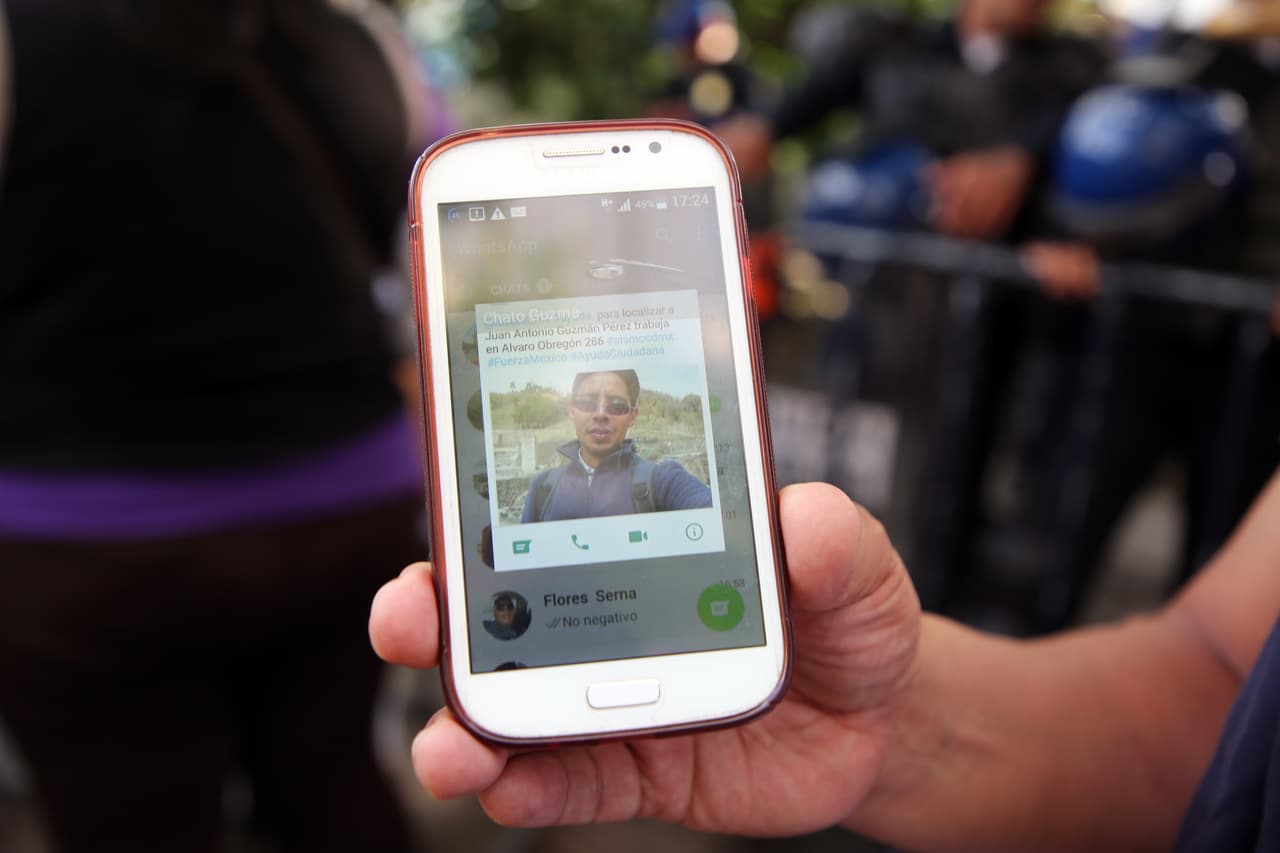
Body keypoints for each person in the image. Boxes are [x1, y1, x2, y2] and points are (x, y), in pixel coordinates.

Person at [0, 1, 441, 850]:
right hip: (348, 517)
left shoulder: (16, 41)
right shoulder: (360, 41)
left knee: (131, 820)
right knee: (338, 785)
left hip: (85, 559)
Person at [371, 466, 1280, 850]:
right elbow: (1220, 687)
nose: (602, 411)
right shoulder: (543, 477)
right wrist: (886, 728)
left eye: (617, 397)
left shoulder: (665, 473)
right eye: (589, 397)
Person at [520, 370, 712, 523]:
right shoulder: (543, 486)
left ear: (633, 416)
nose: (601, 414)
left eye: (617, 406)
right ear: (572, 411)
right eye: (587, 403)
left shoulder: (664, 481)